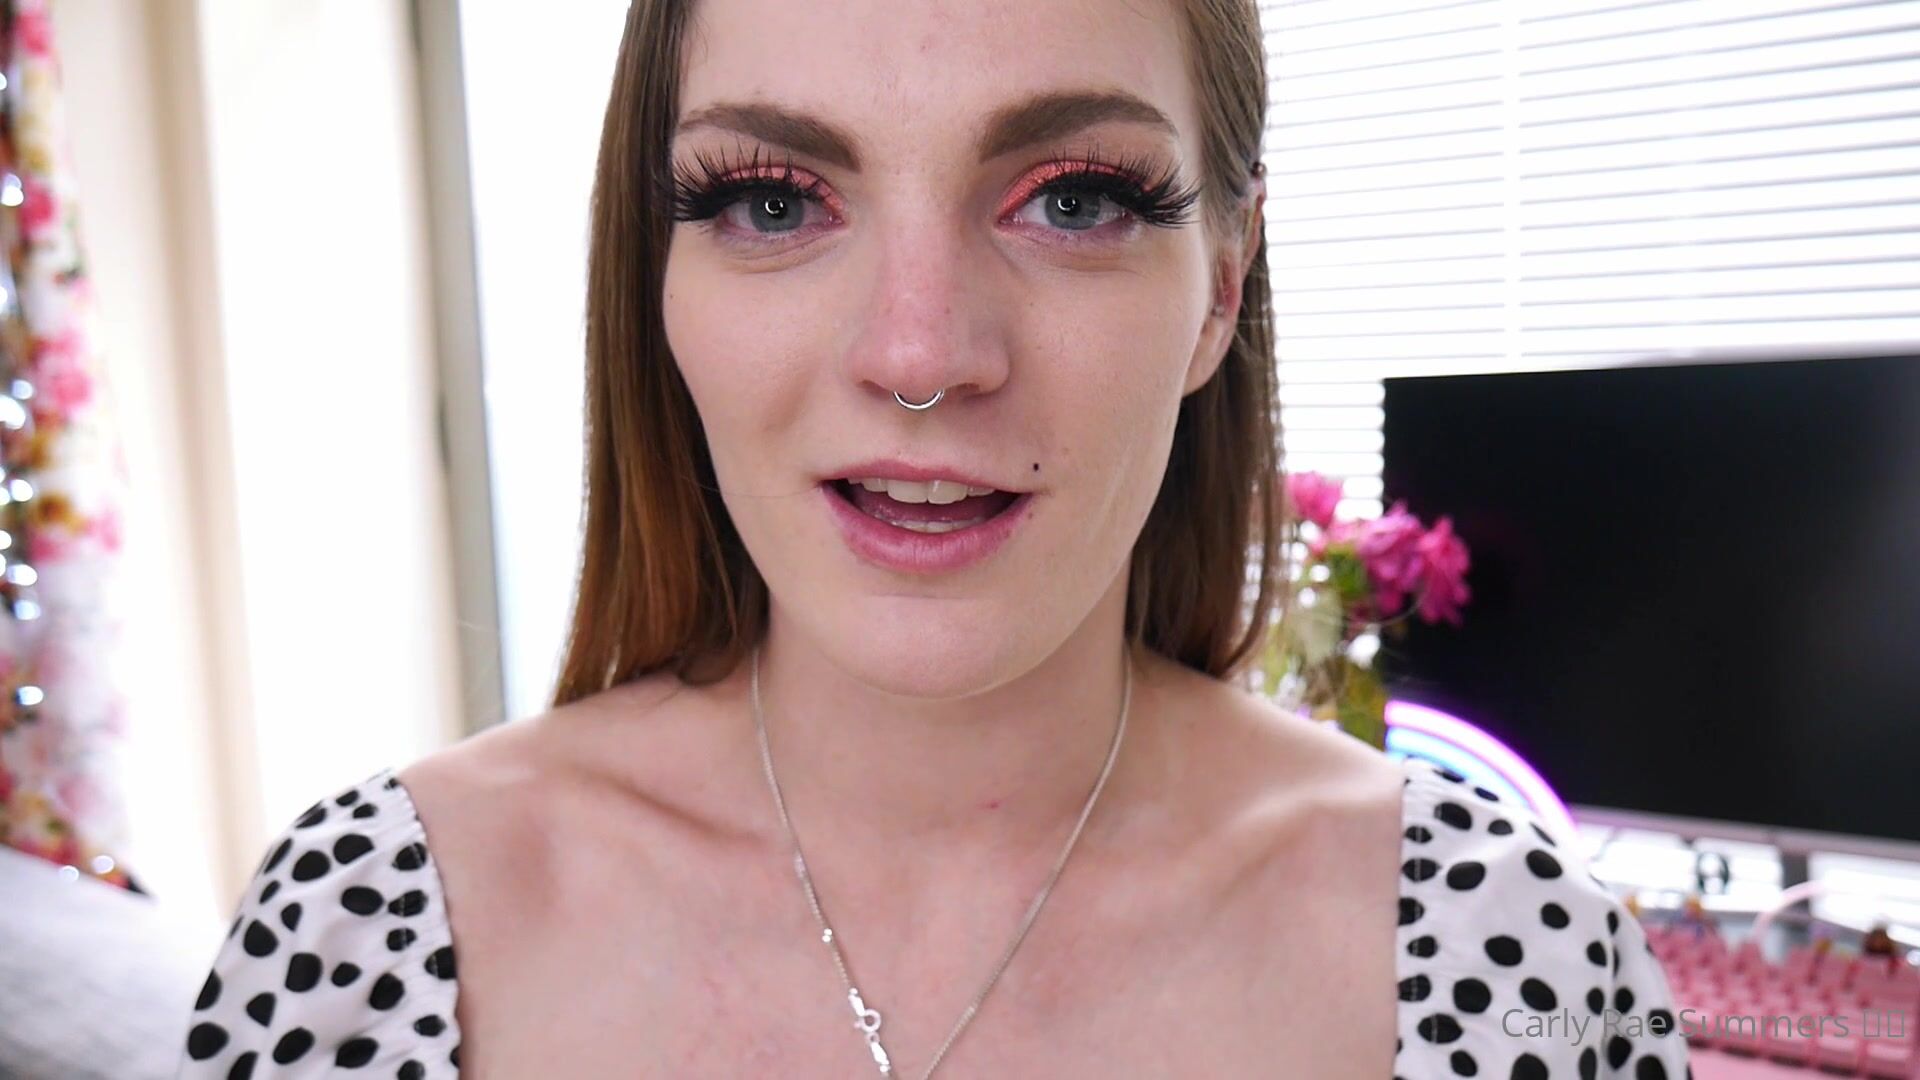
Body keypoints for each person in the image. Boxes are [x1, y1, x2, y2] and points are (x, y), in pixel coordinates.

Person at [176, 0, 1691, 1075]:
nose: (918, 354)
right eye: (773, 202)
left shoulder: (1512, 955)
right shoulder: (366, 935)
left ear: (1221, 287)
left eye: (1075, 200)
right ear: (657, 276)